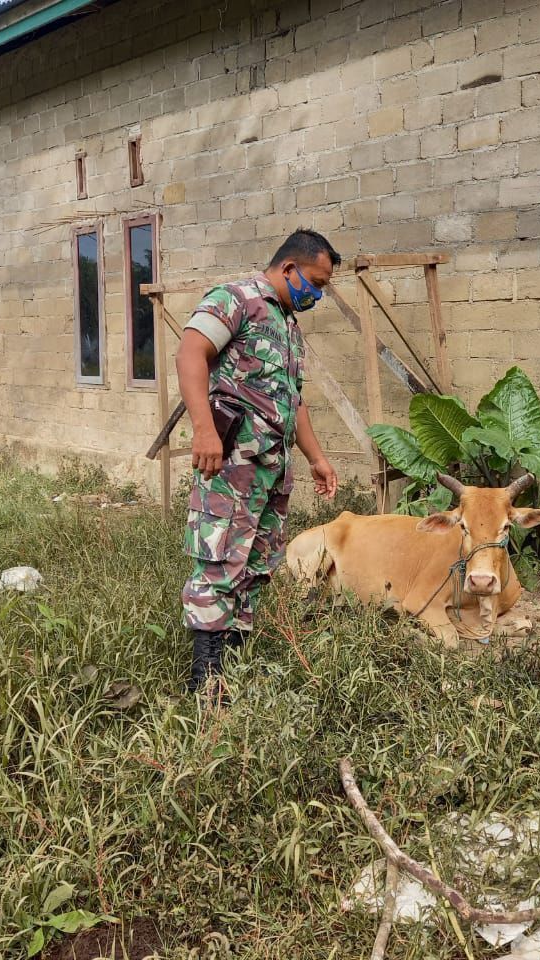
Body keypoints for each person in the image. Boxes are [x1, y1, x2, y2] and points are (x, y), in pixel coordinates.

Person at [175, 228, 340, 700]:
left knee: (256, 564)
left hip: (272, 471)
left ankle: (233, 658)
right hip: (232, 467)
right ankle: (206, 680)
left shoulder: (288, 324)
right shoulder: (236, 299)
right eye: (316, 281)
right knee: (219, 560)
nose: (318, 293)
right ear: (289, 268)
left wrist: (317, 458)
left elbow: (296, 400)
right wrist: (204, 428)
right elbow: (191, 353)